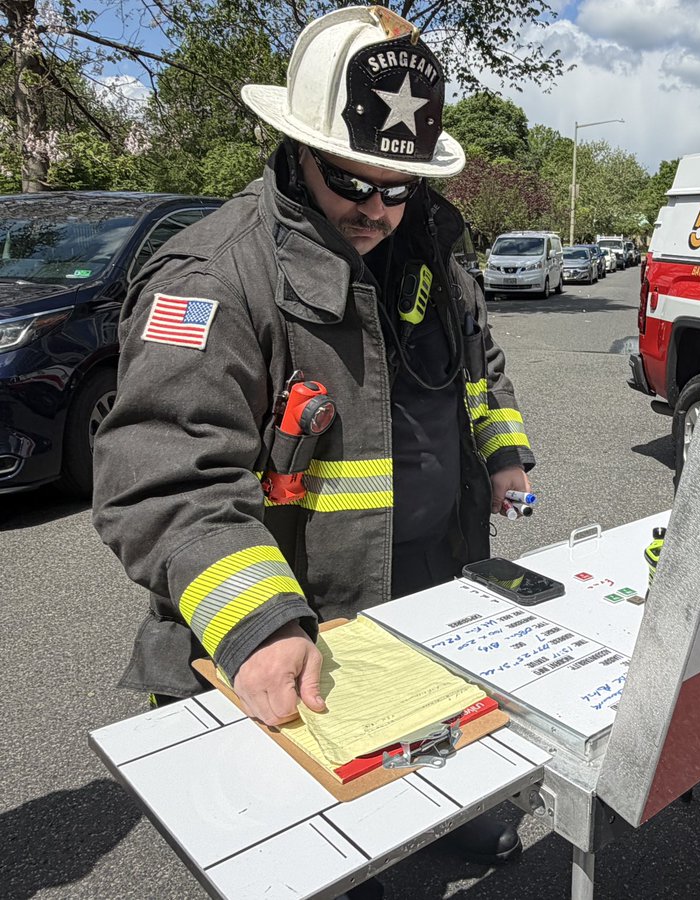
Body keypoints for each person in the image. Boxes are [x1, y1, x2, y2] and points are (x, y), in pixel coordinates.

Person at [91, 4, 534, 879]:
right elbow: (164, 475)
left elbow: (481, 365)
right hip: (303, 611)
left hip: (430, 586)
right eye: (350, 182)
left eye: (397, 188)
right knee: (322, 863)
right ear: (299, 150)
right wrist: (258, 624)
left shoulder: (435, 247)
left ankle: (447, 817)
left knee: (440, 770)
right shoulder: (214, 275)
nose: (376, 210)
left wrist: (503, 452)